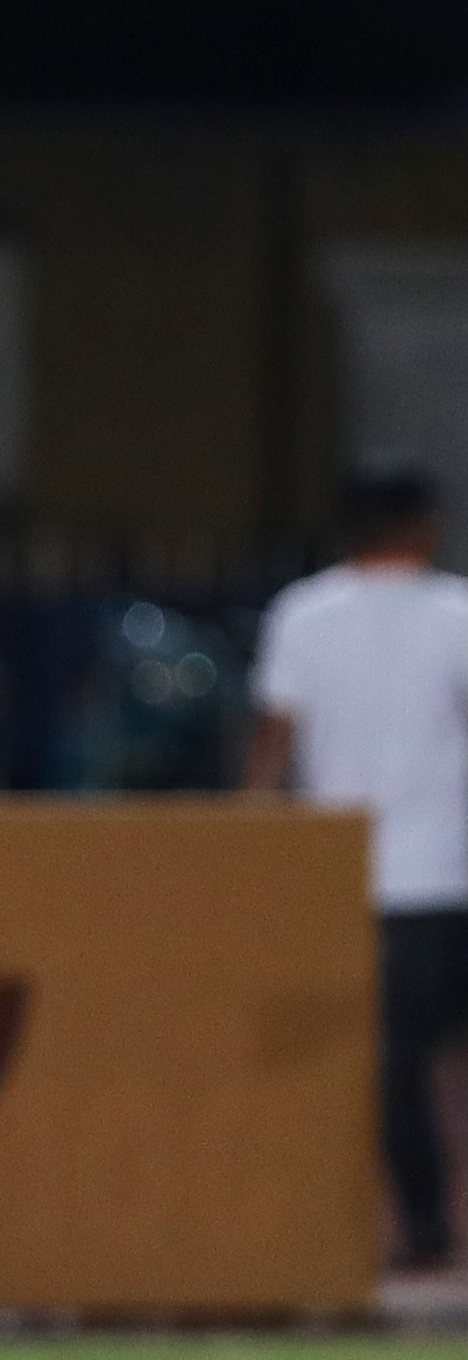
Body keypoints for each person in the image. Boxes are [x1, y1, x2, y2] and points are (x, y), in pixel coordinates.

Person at [248, 461, 468, 1272]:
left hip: (334, 876)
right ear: (420, 527)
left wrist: (249, 838)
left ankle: (407, 1221)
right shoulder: (454, 614)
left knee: (376, 1067)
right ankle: (422, 1223)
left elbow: (272, 737)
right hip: (439, 875)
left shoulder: (303, 614)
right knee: (407, 1064)